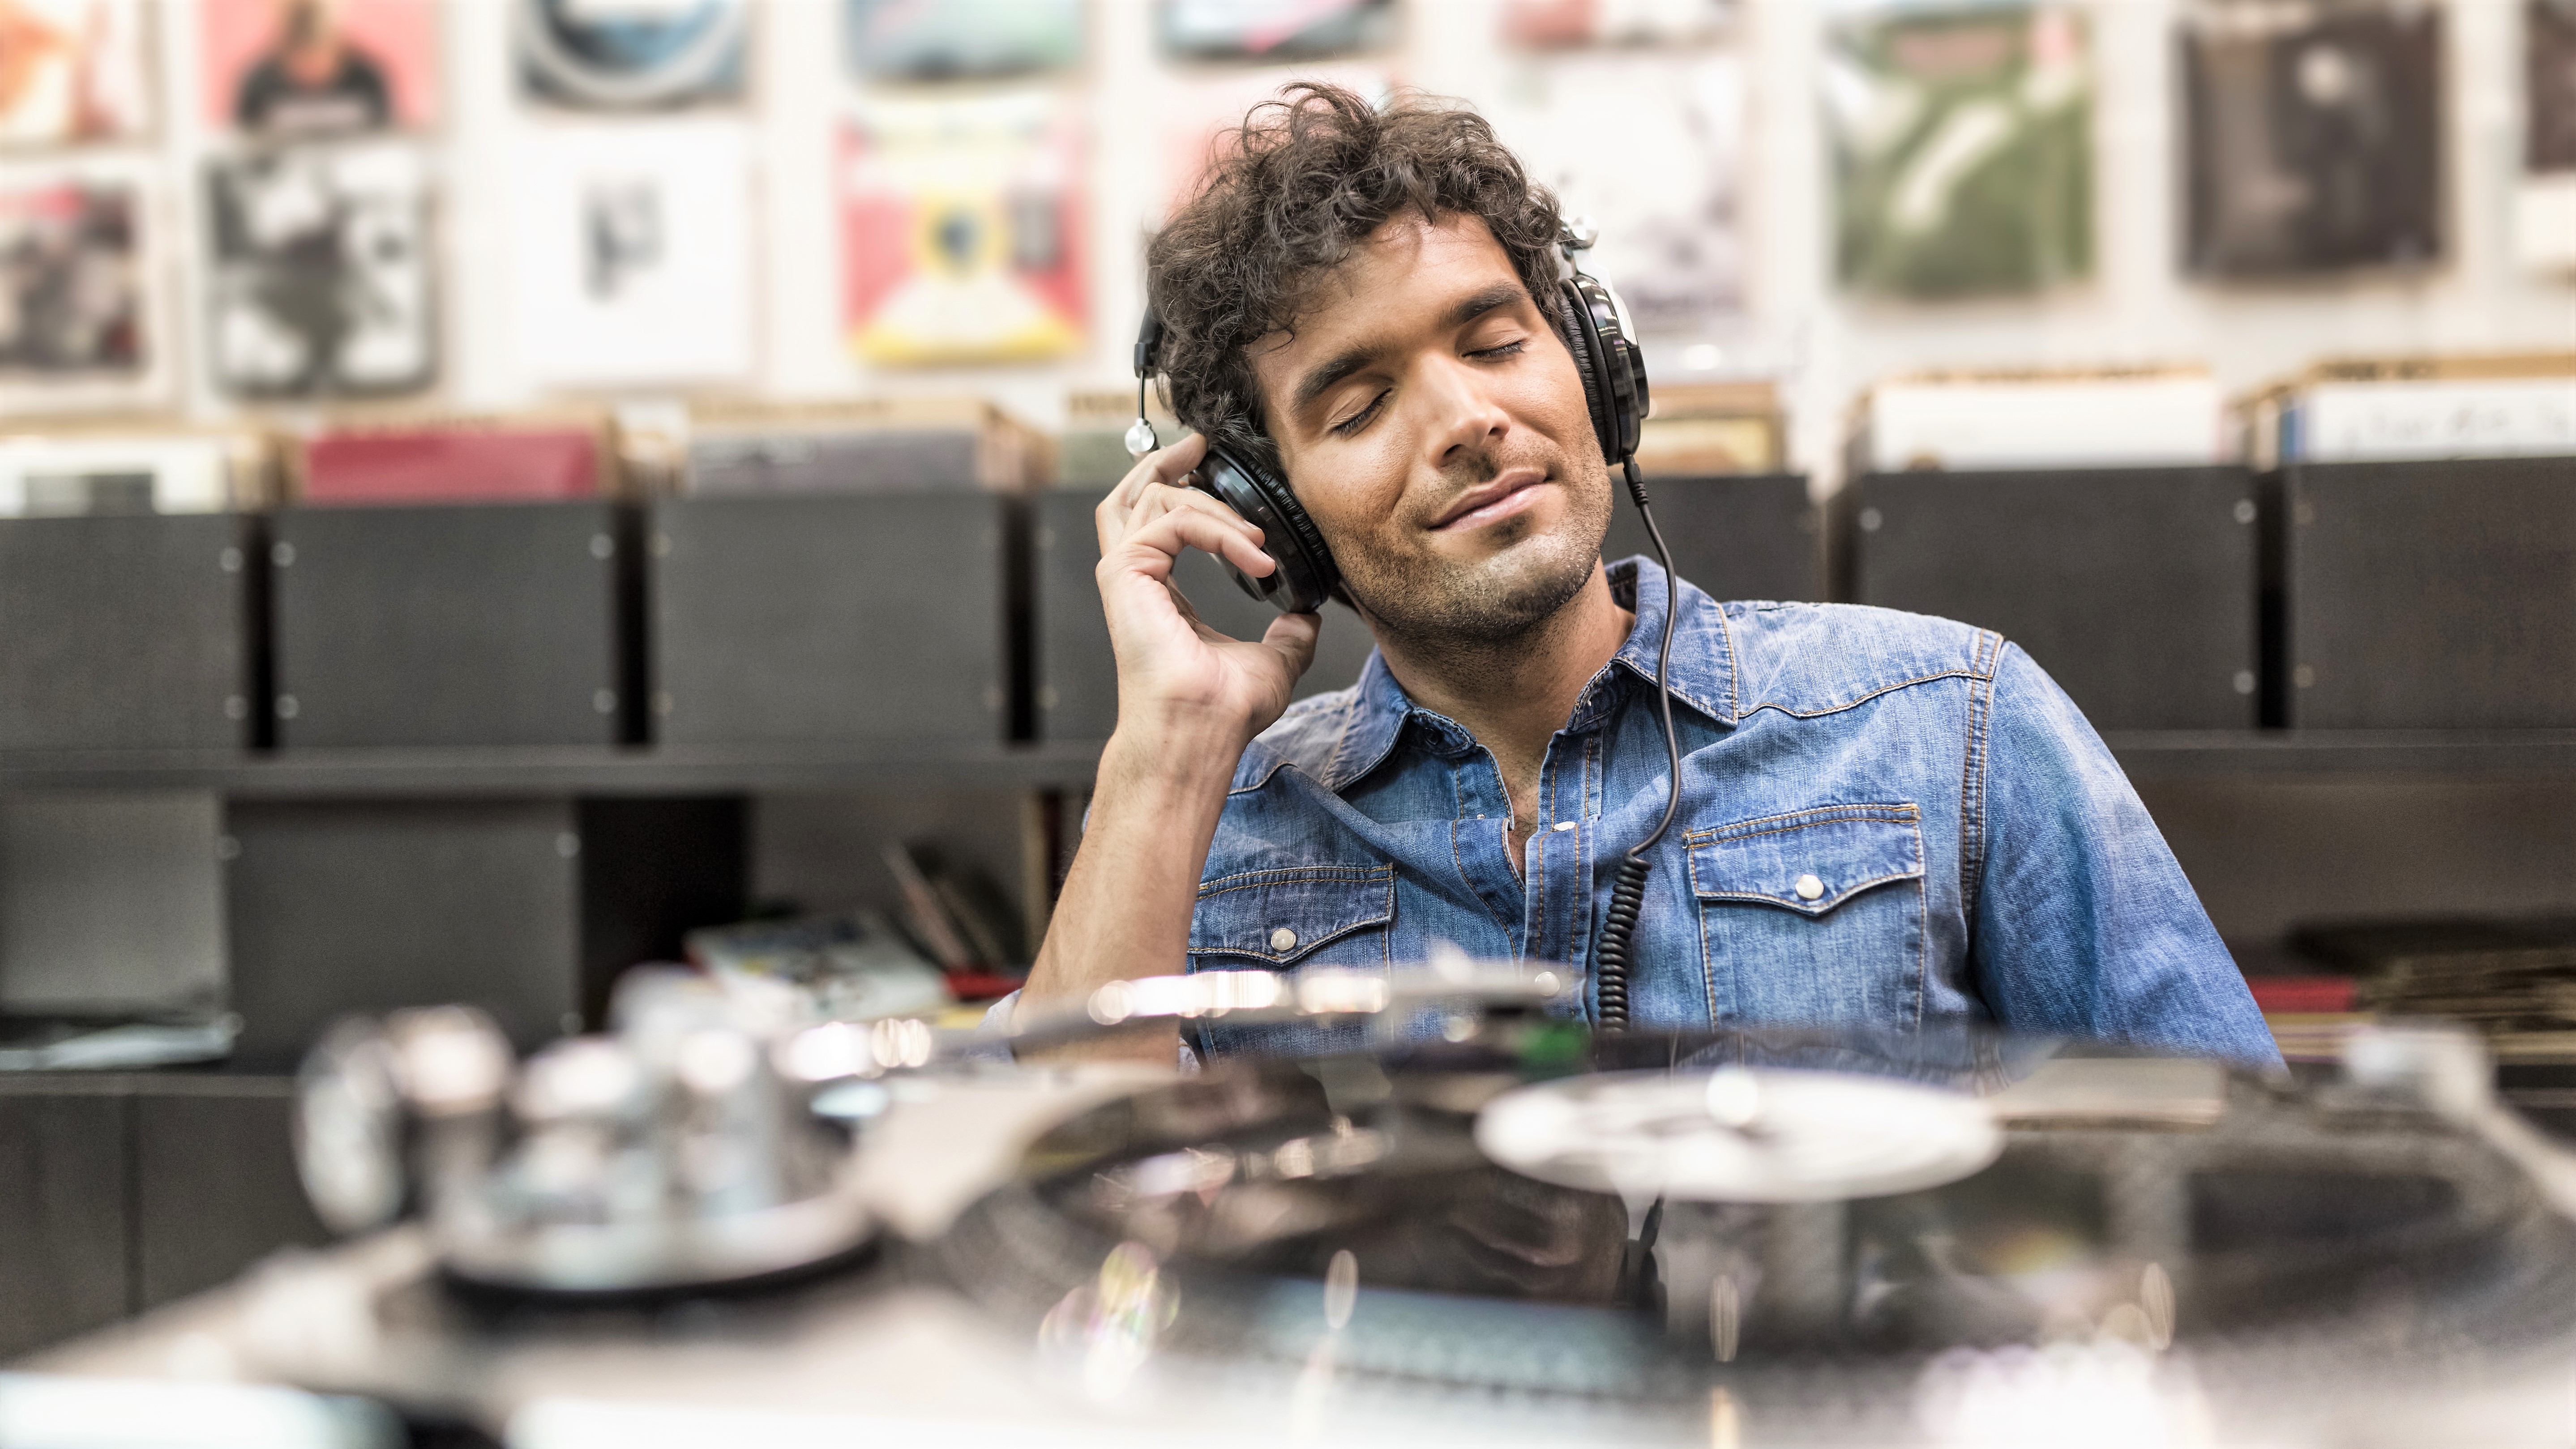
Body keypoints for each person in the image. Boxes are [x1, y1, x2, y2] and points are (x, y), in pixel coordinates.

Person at [1012, 82, 2277, 1070]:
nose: (1467, 417)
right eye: (1357, 406)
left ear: (1593, 370)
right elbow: (1054, 1228)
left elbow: (2232, 1172)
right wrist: (1170, 749)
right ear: (1271, 513)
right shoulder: (1206, 830)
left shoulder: (1952, 722)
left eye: (1496, 341)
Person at [233, 0, 392, 137]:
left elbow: (385, 147)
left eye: (319, 55)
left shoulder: (367, 78)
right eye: (302, 57)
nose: (311, 66)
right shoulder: (259, 84)